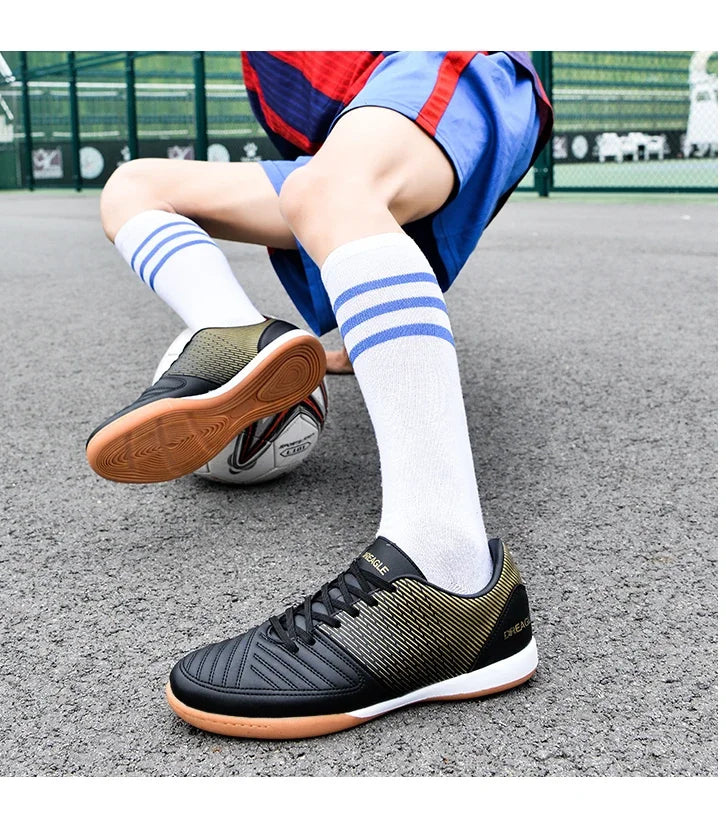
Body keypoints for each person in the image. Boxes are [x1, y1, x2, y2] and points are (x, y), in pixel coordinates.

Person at [86, 51, 553, 739]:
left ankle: (449, 571)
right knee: (134, 187)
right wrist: (375, 320)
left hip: (441, 58)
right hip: (351, 137)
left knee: (329, 192)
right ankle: (236, 335)